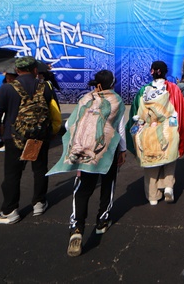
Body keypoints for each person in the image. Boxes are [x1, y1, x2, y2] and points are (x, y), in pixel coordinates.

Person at [46, 70, 126, 257]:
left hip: (84, 150)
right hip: (107, 150)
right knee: (108, 184)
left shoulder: (85, 99)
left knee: (82, 189)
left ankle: (76, 229)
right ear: (112, 84)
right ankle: (102, 221)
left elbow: (69, 125)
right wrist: (122, 150)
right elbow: (120, 128)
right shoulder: (116, 101)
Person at [0, 56, 55, 224]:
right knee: (39, 169)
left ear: (16, 70)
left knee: (13, 174)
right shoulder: (45, 87)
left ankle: (10, 211)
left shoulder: (7, 89)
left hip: (15, 137)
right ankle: (39, 203)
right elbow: (52, 111)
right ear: (35, 70)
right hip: (38, 136)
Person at [126, 61, 184, 206]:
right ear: (165, 72)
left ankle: (153, 196)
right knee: (169, 159)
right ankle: (168, 186)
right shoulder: (174, 89)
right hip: (168, 129)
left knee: (151, 164)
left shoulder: (144, 90)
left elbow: (136, 113)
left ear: (152, 71)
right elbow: (180, 112)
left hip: (148, 131)